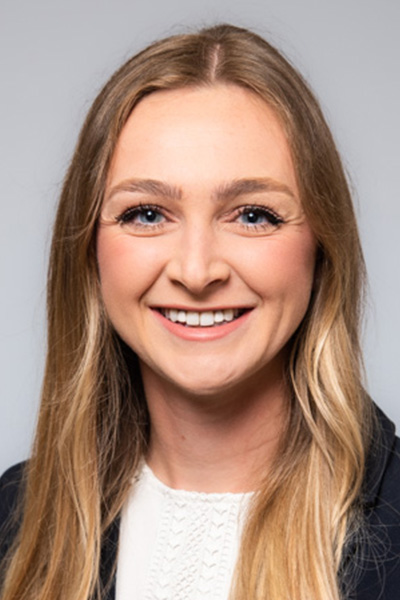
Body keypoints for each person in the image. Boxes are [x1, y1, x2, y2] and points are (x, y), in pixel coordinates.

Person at [0, 23, 399, 600]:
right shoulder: (14, 516)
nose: (196, 269)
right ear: (88, 249)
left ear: (322, 245)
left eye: (253, 214)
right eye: (146, 213)